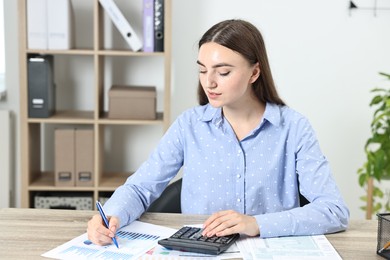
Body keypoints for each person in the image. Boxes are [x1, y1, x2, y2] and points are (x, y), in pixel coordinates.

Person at [87, 19, 349, 245]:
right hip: (200, 252)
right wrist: (110, 215)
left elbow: (333, 210)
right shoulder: (189, 125)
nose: (209, 82)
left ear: (254, 72)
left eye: (223, 72)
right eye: (202, 70)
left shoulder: (293, 128)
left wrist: (256, 224)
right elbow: (141, 187)